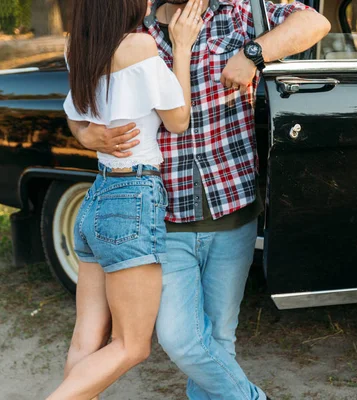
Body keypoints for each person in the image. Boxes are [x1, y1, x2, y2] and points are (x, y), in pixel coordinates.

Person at [67, 0, 331, 398]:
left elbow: (315, 21)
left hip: (233, 208)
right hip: (163, 217)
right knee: (181, 340)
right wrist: (84, 133)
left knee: (219, 339)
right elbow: (84, 86)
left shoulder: (239, 12)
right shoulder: (135, 32)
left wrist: (252, 53)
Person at [46, 0, 204, 399]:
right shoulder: (140, 46)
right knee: (131, 345)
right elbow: (178, 121)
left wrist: (85, 135)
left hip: (97, 196)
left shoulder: (77, 48)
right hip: (133, 198)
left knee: (85, 339)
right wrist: (181, 48)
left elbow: (75, 116)